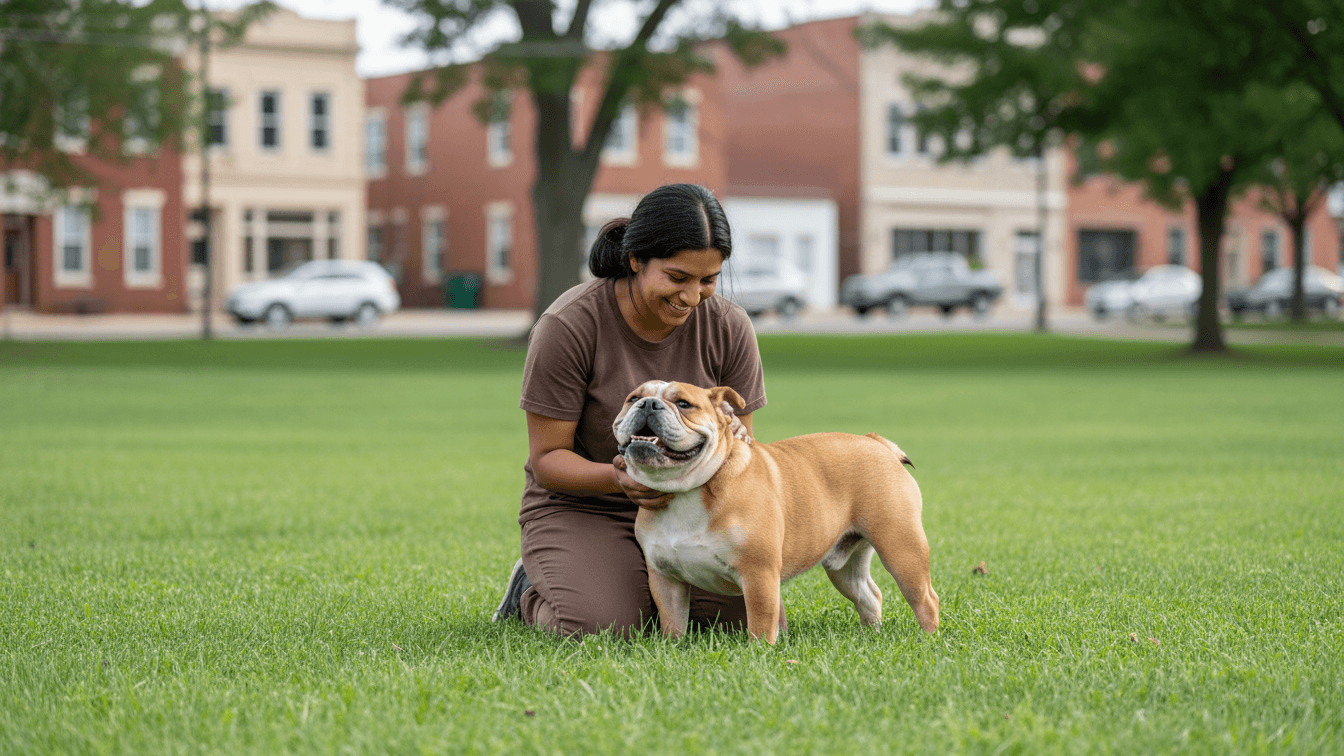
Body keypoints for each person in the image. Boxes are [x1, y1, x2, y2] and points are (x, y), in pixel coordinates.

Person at [492, 183, 772, 638]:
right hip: (588, 507)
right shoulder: (568, 325)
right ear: (635, 259)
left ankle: (637, 580)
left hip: (695, 509)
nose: (692, 296)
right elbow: (547, 459)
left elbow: (743, 449)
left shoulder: (729, 327)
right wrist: (622, 478)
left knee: (743, 624)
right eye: (677, 278)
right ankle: (532, 590)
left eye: (708, 280)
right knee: (607, 625)